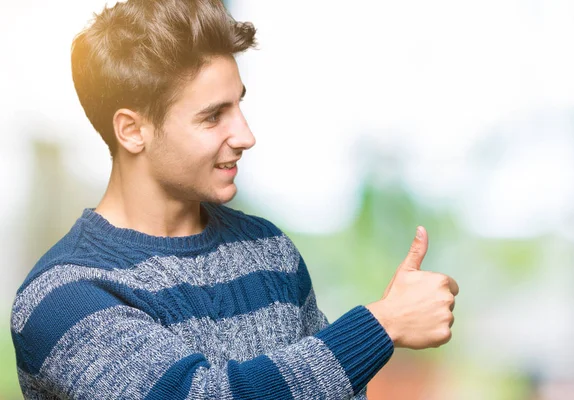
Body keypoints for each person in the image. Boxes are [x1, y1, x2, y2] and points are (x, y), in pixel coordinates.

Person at [10, 0, 459, 399]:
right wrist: (381, 325)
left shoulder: (271, 253)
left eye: (238, 105)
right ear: (132, 130)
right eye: (213, 116)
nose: (246, 136)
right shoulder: (61, 296)